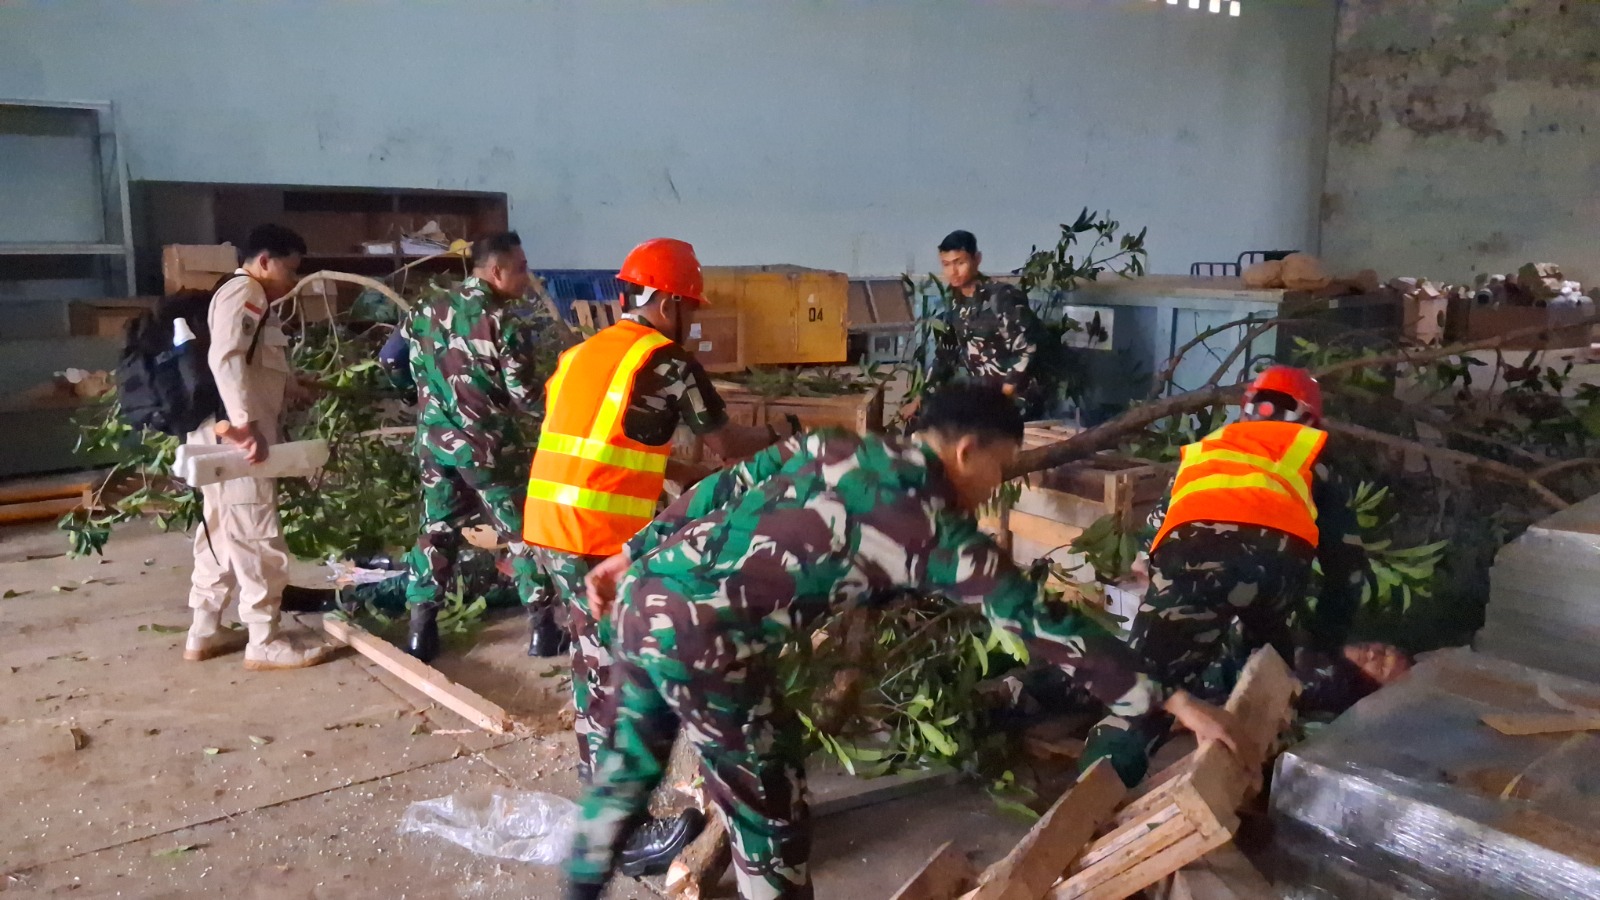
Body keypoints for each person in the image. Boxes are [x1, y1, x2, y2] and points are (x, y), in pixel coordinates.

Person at [565, 383, 1242, 900]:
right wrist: (1173, 699)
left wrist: (633, 552)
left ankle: (577, 882)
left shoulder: (836, 446)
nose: (992, 490)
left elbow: (724, 486)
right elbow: (1039, 620)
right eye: (999, 471)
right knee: (770, 809)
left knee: (626, 773)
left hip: (647, 598)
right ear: (967, 451)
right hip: (706, 642)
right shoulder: (928, 527)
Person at [522, 237, 787, 872]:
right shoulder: (666, 361)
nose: (690, 321)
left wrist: (676, 485)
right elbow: (726, 446)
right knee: (619, 677)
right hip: (597, 537)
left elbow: (616, 444)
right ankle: (623, 833)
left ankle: (609, 813)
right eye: (688, 308)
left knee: (594, 667)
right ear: (665, 302)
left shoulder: (585, 353)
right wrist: (781, 439)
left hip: (548, 524)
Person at [1123, 365, 1409, 728]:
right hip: (1277, 575)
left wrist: (1166, 601)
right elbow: (1346, 571)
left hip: (1192, 561)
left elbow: (1144, 556)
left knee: (1144, 689)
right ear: (1309, 417)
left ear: (1248, 409)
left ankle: (1114, 765)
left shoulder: (1206, 452)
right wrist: (1324, 647)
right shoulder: (1313, 459)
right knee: (1267, 678)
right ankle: (1260, 736)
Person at [394, 231, 558, 663]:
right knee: (524, 536)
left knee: (436, 532)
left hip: (435, 446)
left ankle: (421, 631)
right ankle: (543, 631)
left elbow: (390, 358)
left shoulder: (425, 308)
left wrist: (413, 393)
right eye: (521, 269)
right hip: (489, 451)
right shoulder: (505, 322)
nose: (526, 278)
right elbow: (526, 397)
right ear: (496, 270)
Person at [183, 224, 333, 670]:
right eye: (289, 268)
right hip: (237, 440)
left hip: (221, 436)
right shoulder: (246, 291)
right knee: (256, 535)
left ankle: (203, 632)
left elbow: (251, 363)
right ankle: (263, 640)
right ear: (264, 260)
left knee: (219, 534)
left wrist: (292, 386)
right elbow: (225, 358)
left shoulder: (249, 297)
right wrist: (246, 427)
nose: (291, 280)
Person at [922, 230, 1047, 418]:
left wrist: (1005, 396)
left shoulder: (1002, 297)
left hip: (1018, 404)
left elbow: (1028, 348)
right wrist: (921, 398)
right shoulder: (955, 305)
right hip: (986, 403)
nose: (953, 271)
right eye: (946, 264)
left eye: (960, 262)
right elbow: (945, 356)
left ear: (977, 259)